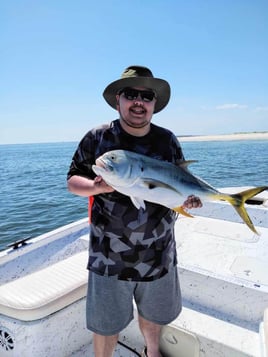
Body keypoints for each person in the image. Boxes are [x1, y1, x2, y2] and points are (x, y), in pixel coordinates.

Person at [67, 65, 202, 357]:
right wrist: (96, 187)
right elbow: (73, 181)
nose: (138, 101)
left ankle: (152, 353)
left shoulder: (167, 140)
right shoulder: (97, 137)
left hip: (159, 251)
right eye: (131, 94)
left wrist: (187, 201)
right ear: (119, 99)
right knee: (105, 324)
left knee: (153, 316)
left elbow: (179, 185)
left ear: (154, 103)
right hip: (108, 256)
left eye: (146, 96)